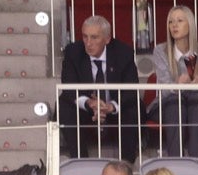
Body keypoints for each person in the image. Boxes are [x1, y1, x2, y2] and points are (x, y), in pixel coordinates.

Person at [60, 13, 141, 157]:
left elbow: (131, 90)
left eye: (94, 37)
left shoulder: (124, 53)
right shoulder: (73, 52)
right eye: (85, 36)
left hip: (114, 111)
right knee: (63, 104)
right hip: (86, 112)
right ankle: (80, 159)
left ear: (107, 39)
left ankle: (126, 162)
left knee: (135, 107)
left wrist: (110, 107)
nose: (88, 43)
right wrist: (90, 103)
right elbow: (68, 88)